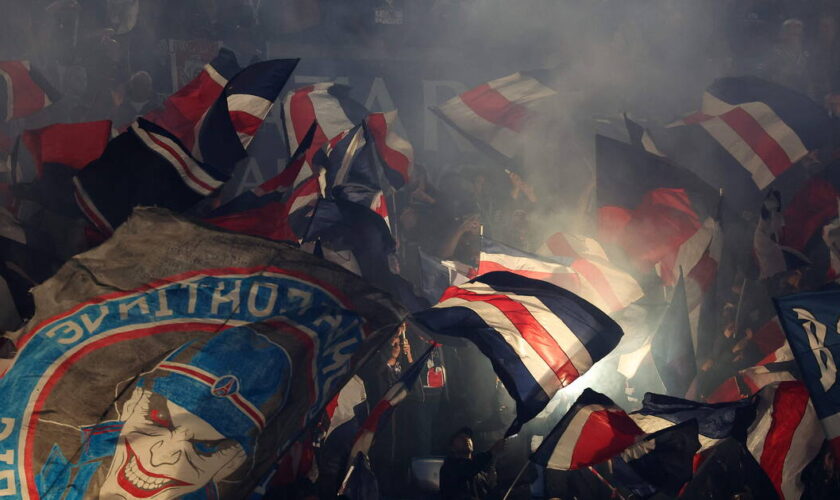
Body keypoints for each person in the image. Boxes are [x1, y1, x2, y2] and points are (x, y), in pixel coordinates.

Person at [35, 326, 292, 499]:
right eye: (158, 420)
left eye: (205, 447)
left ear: (233, 463)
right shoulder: (49, 448)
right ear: (132, 403)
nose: (160, 460)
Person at [439, 427, 504, 500]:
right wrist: (492, 451)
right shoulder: (449, 467)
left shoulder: (479, 474)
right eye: (460, 437)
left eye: (468, 437)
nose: (466, 438)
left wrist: (492, 485)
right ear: (452, 447)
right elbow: (468, 467)